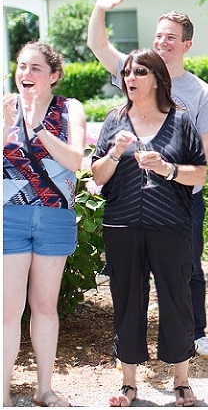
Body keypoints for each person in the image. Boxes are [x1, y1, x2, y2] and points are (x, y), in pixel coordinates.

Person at [87, 0, 208, 360]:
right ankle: (134, 347)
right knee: (132, 279)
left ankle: (196, 333)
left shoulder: (199, 93)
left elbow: (203, 156)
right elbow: (98, 44)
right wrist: (101, 8)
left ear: (187, 45)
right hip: (131, 206)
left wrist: (172, 174)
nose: (162, 42)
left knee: (188, 268)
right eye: (159, 35)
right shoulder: (137, 71)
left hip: (181, 202)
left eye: (171, 38)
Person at [91, 49, 207, 406]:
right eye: (127, 73)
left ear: (157, 78)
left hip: (170, 224)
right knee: (127, 299)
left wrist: (166, 168)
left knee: (176, 298)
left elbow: (199, 173)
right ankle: (128, 383)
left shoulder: (181, 121)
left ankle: (181, 380)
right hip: (122, 224)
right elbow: (96, 176)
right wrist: (113, 154)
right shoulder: (113, 120)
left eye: (140, 72)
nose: (131, 78)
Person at [3, 42, 86, 408]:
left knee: (45, 307)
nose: (26, 74)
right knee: (8, 310)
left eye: (35, 68)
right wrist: (7, 126)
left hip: (54, 215)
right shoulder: (5, 107)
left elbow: (75, 159)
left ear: (53, 75)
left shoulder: (69, 109)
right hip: (9, 216)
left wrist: (38, 128)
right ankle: (2, 391)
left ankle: (45, 389)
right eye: (22, 67)